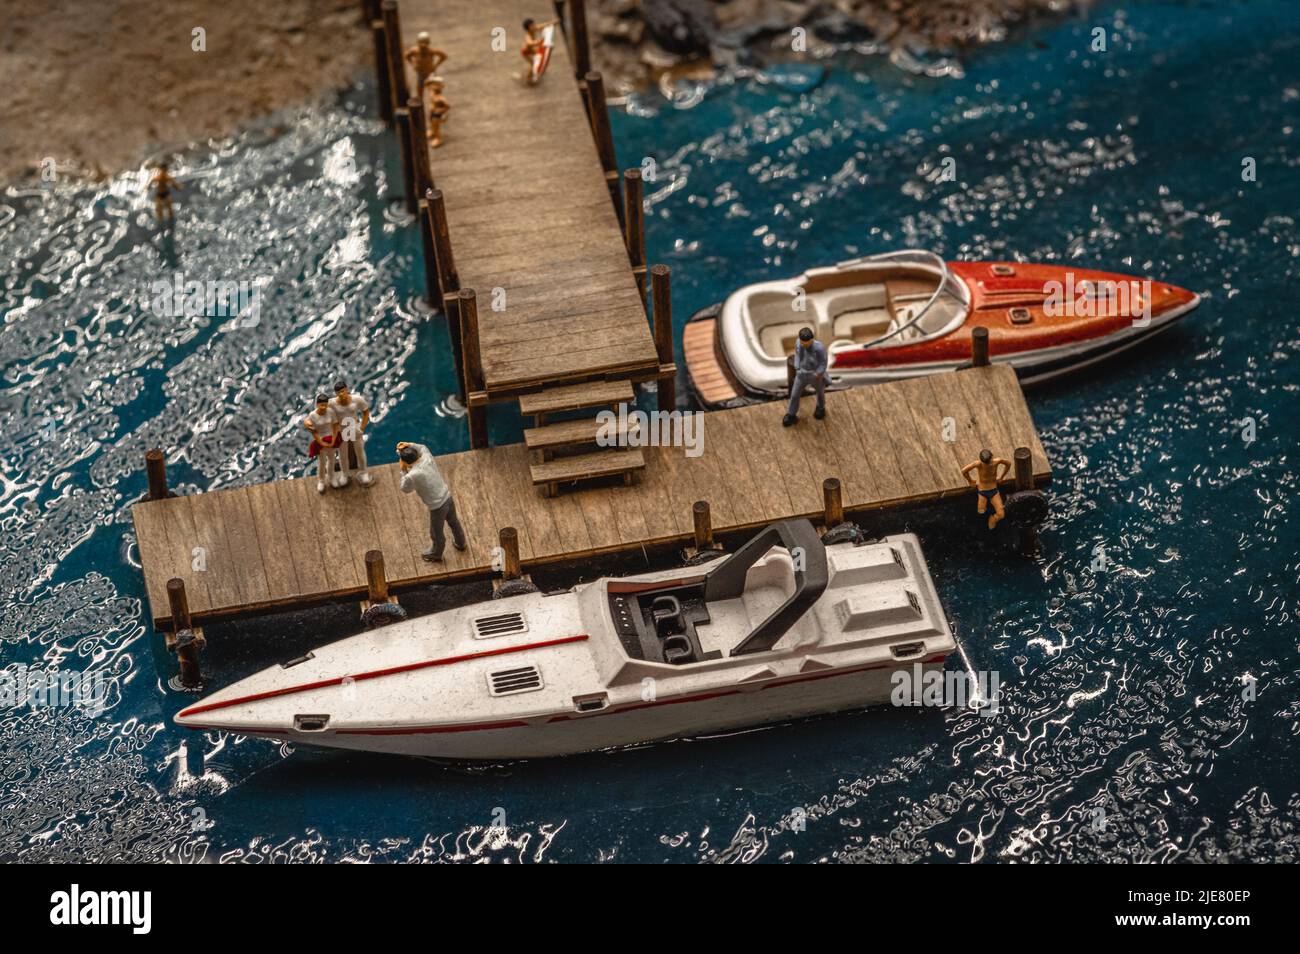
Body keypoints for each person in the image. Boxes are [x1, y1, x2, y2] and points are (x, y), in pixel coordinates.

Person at [397, 442, 466, 562]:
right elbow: (422, 447)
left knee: (436, 531)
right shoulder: (426, 457)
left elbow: (405, 488)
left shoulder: (412, 475)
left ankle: (436, 553)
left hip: (437, 506)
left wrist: (403, 471)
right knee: (454, 522)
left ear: (405, 462)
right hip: (447, 496)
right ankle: (461, 542)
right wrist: (410, 444)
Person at [330, 378, 372, 488]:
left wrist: (362, 428)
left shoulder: (357, 399)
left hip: (354, 427)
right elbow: (323, 413)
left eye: (343, 391)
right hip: (342, 429)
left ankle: (363, 472)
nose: (341, 394)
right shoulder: (332, 403)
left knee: (359, 451)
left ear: (347, 390)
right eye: (339, 393)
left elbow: (366, 412)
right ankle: (345, 474)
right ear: (336, 394)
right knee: (342, 453)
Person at [784, 327, 827, 426]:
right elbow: (797, 354)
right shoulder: (798, 343)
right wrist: (797, 365)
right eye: (802, 342)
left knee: (820, 392)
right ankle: (791, 414)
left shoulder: (819, 348)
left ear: (812, 339)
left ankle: (821, 408)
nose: (803, 344)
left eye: (806, 342)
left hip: (814, 374)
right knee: (794, 394)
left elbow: (823, 363)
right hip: (801, 374)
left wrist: (818, 373)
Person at [961, 449, 1012, 530]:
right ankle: (983, 524)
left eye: (990, 461)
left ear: (992, 456)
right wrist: (970, 480)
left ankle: (993, 518)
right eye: (987, 463)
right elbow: (964, 471)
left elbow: (1008, 464)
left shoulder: (997, 461)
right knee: (981, 511)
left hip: (994, 490)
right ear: (982, 461)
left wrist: (1002, 477)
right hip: (982, 491)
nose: (990, 464)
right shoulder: (978, 464)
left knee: (1001, 515)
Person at [303, 394, 340, 493]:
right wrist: (321, 442)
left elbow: (336, 426)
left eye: (325, 404)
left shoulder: (331, 412)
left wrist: (334, 440)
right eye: (321, 405)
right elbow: (313, 431)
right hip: (320, 440)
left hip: (331, 438)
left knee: (332, 459)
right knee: (321, 461)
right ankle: (321, 480)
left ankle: (332, 477)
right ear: (317, 404)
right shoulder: (312, 415)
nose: (323, 407)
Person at [404, 31, 447, 96]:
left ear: (428, 43)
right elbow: (407, 55)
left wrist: (436, 65)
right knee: (420, 91)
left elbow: (443, 56)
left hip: (430, 73)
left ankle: (434, 104)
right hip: (421, 74)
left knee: (434, 92)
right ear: (418, 43)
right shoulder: (415, 51)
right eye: (421, 44)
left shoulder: (431, 51)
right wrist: (412, 64)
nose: (423, 46)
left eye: (425, 44)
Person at [520, 17, 559, 84]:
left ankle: (539, 69)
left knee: (540, 57)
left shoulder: (534, 29)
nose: (534, 26)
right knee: (533, 64)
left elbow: (544, 25)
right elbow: (530, 42)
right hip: (526, 52)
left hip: (532, 50)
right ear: (528, 28)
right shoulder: (528, 36)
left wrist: (553, 22)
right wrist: (539, 42)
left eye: (534, 25)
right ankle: (528, 78)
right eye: (532, 26)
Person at [425, 78, 450, 148]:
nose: (433, 86)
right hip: (432, 113)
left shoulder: (441, 98)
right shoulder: (432, 93)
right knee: (431, 123)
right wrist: (429, 79)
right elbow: (426, 84)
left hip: (437, 115)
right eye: (433, 84)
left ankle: (438, 138)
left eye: (436, 85)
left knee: (436, 127)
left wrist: (440, 110)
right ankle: (432, 131)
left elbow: (447, 107)